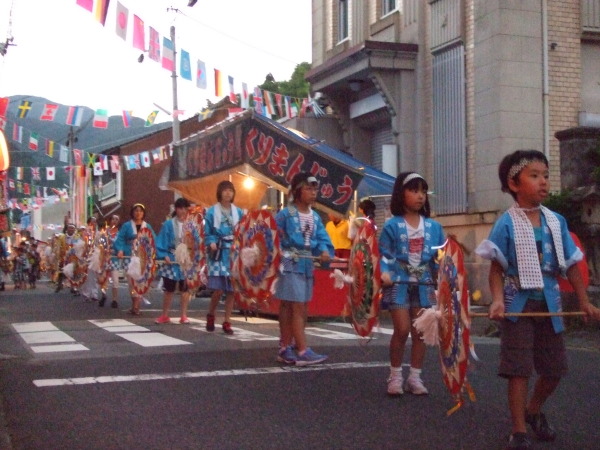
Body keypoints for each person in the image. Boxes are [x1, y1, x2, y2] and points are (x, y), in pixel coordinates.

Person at [475, 150, 600, 450]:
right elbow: (496, 270)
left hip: (550, 303)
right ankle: (518, 429)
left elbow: (570, 264)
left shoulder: (556, 221)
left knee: (554, 368)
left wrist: (584, 301)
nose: (543, 182)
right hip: (517, 304)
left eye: (545, 175)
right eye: (534, 175)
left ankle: (533, 410)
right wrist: (497, 301)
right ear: (514, 184)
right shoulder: (506, 223)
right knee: (518, 369)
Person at [378, 172, 445, 396]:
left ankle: (415, 377)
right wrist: (385, 273)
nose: (420, 196)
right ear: (401, 194)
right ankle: (395, 376)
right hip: (398, 283)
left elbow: (439, 259)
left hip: (424, 284)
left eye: (423, 191)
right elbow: (384, 255)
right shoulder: (391, 226)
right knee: (402, 329)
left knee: (420, 332)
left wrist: (442, 282)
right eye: (414, 191)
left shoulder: (434, 228)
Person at [275, 172, 334, 366]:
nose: (313, 192)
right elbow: (272, 237)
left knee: (296, 306)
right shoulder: (285, 214)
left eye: (315, 189)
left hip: (306, 264)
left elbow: (323, 239)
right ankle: (301, 349)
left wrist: (324, 250)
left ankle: (286, 347)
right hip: (290, 263)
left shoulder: (315, 217)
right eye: (308, 188)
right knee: (295, 305)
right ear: (298, 190)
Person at [204, 181, 244, 334]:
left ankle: (227, 321)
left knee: (232, 289)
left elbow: (243, 230)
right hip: (219, 252)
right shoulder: (212, 212)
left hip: (233, 252)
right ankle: (211, 314)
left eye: (230, 191)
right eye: (225, 190)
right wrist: (211, 242)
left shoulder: (239, 212)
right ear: (220, 193)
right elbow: (208, 231)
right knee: (219, 289)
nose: (228, 193)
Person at [155, 197, 193, 325]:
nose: (182, 211)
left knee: (185, 288)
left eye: (184, 208)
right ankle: (165, 314)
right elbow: (161, 241)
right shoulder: (168, 224)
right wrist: (163, 254)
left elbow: (198, 242)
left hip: (186, 259)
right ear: (176, 209)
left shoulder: (192, 224)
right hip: (171, 258)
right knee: (169, 288)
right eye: (179, 208)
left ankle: (184, 315)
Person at [114, 203, 156, 316]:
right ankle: (135, 305)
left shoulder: (147, 226)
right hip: (130, 256)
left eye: (140, 211)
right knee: (132, 281)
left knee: (141, 281)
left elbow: (153, 241)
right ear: (132, 212)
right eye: (136, 210)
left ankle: (136, 306)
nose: (138, 213)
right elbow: (120, 239)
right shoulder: (127, 226)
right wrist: (120, 250)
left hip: (143, 257)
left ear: (143, 213)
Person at [99, 214, 121, 308]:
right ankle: (103, 295)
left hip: (115, 258)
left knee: (115, 279)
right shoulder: (104, 233)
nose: (115, 221)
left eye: (117, 219)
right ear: (110, 220)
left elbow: (121, 245)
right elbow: (100, 244)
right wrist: (105, 249)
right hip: (105, 258)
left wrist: (118, 250)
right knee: (103, 279)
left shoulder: (120, 233)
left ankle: (115, 299)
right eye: (113, 219)